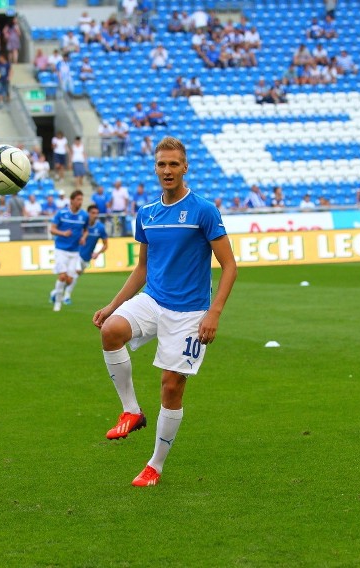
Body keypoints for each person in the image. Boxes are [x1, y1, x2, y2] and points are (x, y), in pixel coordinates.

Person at [92, 136, 237, 487]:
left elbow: (230, 265)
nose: (167, 170)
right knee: (110, 330)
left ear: (185, 167)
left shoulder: (203, 210)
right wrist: (113, 305)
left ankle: (154, 465)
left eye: (174, 164)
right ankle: (131, 410)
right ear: (155, 168)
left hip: (190, 312)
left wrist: (214, 312)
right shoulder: (147, 213)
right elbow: (142, 268)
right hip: (154, 299)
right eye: (161, 164)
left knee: (171, 387)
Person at [59, 204, 108, 306]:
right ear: (88, 213)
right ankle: (66, 297)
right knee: (75, 274)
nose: (95, 215)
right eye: (93, 213)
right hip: (76, 254)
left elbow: (105, 245)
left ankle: (56, 293)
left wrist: (97, 253)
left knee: (70, 279)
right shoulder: (81, 224)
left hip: (87, 258)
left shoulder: (100, 228)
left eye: (97, 213)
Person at [49, 190, 88, 312]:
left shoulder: (84, 216)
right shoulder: (61, 213)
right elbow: (52, 229)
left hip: (75, 251)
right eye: (78, 199)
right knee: (62, 276)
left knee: (70, 279)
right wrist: (63, 233)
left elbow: (86, 230)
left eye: (81, 199)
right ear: (71, 200)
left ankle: (55, 292)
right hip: (61, 249)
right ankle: (58, 304)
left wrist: (83, 237)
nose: (80, 202)